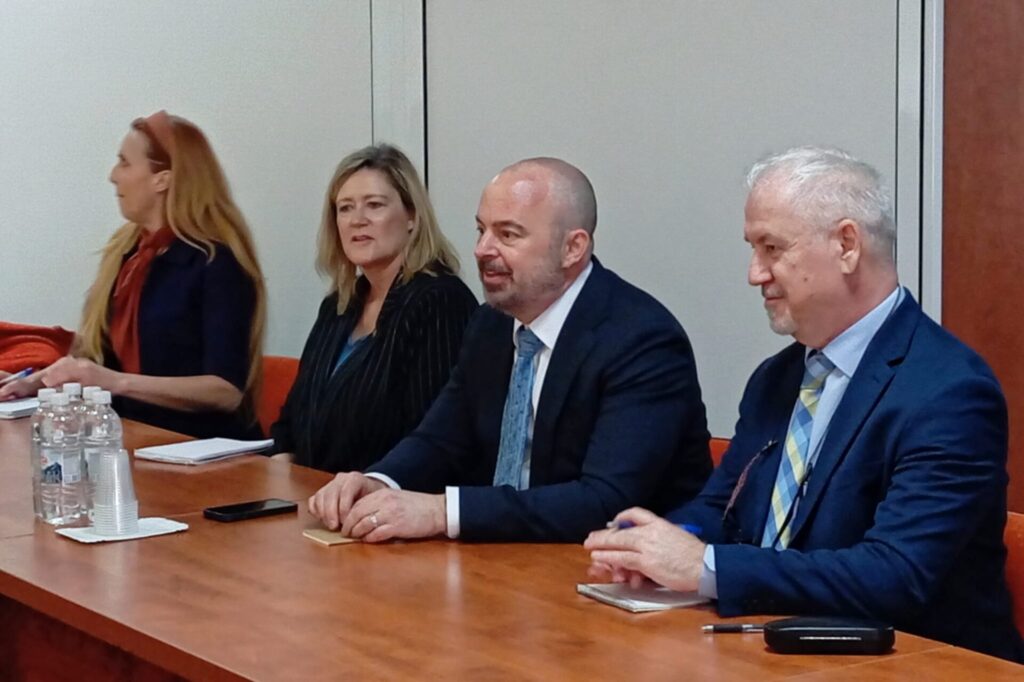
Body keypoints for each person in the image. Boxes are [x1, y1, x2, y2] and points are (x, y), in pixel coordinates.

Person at [585, 146, 1024, 662]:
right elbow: (723, 509)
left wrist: (705, 567)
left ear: (846, 246)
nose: (755, 274)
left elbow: (896, 575)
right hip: (776, 648)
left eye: (772, 248)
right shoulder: (777, 377)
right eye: (753, 249)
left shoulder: (948, 392)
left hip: (921, 662)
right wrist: (657, 543)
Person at [308, 157, 712, 543]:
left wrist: (442, 512)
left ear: (573, 248)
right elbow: (440, 439)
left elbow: (604, 501)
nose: (482, 249)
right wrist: (379, 481)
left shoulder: (640, 339)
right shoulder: (491, 324)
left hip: (611, 571)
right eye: (480, 230)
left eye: (508, 235)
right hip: (504, 561)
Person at [0, 111, 266, 439]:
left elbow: (226, 391)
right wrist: (34, 382)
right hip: (133, 437)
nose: (113, 176)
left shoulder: (217, 263)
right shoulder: (128, 253)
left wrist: (115, 382)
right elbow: (98, 357)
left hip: (202, 446)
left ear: (162, 179)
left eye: (124, 163)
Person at [268, 144, 477, 472]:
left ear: (411, 216)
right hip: (315, 491)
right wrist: (281, 465)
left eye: (375, 205)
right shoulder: (339, 304)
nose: (357, 220)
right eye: (345, 208)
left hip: (389, 496)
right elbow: (294, 417)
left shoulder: (439, 301)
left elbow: (432, 440)